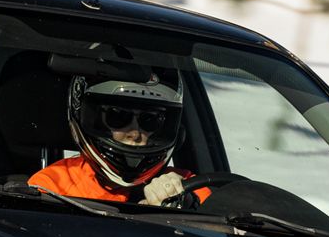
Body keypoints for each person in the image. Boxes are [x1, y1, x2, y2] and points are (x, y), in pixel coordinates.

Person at [29, 75, 211, 206]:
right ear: (95, 121)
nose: (135, 133)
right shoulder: (54, 184)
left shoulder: (184, 184)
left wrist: (184, 204)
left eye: (150, 120)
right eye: (118, 117)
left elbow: (225, 215)